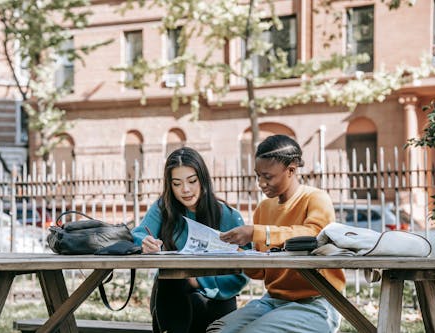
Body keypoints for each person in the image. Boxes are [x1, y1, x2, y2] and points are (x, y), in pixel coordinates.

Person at [208, 134, 345, 333]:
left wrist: (258, 232)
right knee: (217, 330)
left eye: (268, 176)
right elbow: (262, 272)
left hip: (317, 302)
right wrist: (237, 253)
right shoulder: (263, 209)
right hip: (273, 301)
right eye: (258, 175)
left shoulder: (315, 198)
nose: (261, 183)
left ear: (291, 170)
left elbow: (314, 234)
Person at [132, 147, 249, 333]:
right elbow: (137, 235)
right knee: (171, 281)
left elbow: (243, 271)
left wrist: (197, 281)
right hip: (172, 294)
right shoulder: (164, 208)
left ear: (203, 179)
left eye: (192, 181)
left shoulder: (228, 216)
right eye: (176, 184)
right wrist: (144, 243)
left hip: (218, 297)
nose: (185, 190)